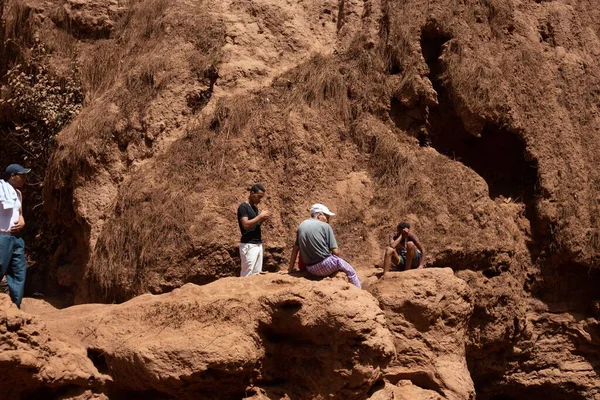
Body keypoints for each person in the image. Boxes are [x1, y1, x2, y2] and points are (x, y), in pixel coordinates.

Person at [288, 203, 361, 288]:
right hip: (325, 266)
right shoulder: (325, 226)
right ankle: (359, 291)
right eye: (327, 216)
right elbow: (336, 252)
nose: (328, 220)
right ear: (319, 215)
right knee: (351, 272)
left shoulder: (301, 225)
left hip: (310, 269)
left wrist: (290, 269)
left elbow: (295, 249)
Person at [0, 164, 30, 308]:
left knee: (19, 272)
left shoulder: (18, 194)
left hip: (16, 238)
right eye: (22, 175)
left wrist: (23, 221)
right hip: (2, 237)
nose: (24, 178)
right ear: (12, 176)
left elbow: (20, 214)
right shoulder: (0, 188)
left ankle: (14, 308)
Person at [237, 184, 270, 277]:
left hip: (257, 244)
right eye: (259, 196)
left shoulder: (254, 208)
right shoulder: (243, 207)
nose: (260, 199)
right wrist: (260, 216)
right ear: (252, 193)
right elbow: (245, 225)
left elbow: (254, 225)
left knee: (256, 274)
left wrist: (261, 221)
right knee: (246, 275)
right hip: (249, 245)